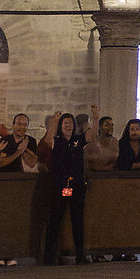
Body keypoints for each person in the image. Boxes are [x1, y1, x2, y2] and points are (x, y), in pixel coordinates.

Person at [40, 113, 89, 265]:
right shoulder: (56, 140)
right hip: (61, 185)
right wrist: (54, 121)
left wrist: (95, 115)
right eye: (65, 123)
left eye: (70, 123)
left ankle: (80, 255)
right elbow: (47, 142)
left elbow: (91, 136)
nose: (68, 126)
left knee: (77, 220)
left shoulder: (77, 140)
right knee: (55, 219)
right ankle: (49, 257)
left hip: (77, 185)